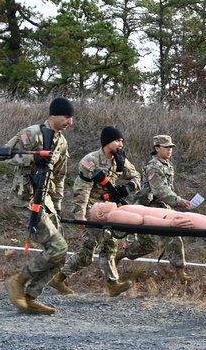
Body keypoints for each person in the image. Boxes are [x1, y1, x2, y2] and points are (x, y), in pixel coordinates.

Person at [50, 126, 141, 297]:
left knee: (99, 248)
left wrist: (128, 187)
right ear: (107, 143)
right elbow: (82, 189)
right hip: (92, 206)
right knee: (99, 245)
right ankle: (63, 278)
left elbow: (137, 176)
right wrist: (80, 215)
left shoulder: (119, 159)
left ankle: (108, 282)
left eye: (122, 141)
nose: (121, 144)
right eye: (117, 140)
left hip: (109, 207)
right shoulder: (90, 161)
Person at [3, 97, 73, 315]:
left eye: (71, 118)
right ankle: (18, 280)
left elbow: (60, 175)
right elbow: (4, 154)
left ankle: (31, 297)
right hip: (25, 199)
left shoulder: (61, 142)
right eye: (66, 117)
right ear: (53, 115)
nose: (69, 121)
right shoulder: (32, 134)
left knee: (60, 253)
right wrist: (31, 159)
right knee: (57, 247)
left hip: (47, 201)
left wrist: (58, 205)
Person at [120, 134, 192, 281]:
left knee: (174, 236)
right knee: (148, 245)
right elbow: (160, 190)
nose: (169, 150)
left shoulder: (167, 165)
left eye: (171, 147)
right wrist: (179, 201)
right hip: (149, 209)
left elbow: (167, 189)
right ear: (156, 148)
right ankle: (118, 256)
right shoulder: (153, 167)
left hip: (162, 208)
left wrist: (174, 203)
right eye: (166, 147)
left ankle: (180, 273)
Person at [91, 201, 206, 231]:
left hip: (174, 216)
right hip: (172, 219)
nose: (104, 201)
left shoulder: (117, 209)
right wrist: (170, 224)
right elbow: (142, 221)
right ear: (101, 213)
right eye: (100, 204)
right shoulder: (114, 214)